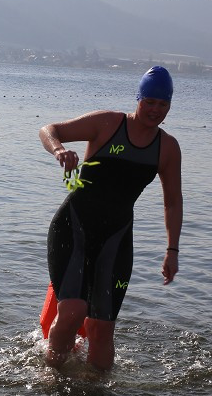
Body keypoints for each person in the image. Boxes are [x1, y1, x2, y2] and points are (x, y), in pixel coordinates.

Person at [40, 66, 182, 369]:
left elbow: (172, 201)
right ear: (138, 98)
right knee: (73, 310)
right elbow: (49, 130)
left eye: (163, 104)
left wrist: (172, 250)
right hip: (74, 226)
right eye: (150, 102)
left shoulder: (167, 148)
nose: (155, 110)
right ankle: (51, 379)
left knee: (102, 328)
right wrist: (60, 150)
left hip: (116, 238)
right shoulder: (107, 124)